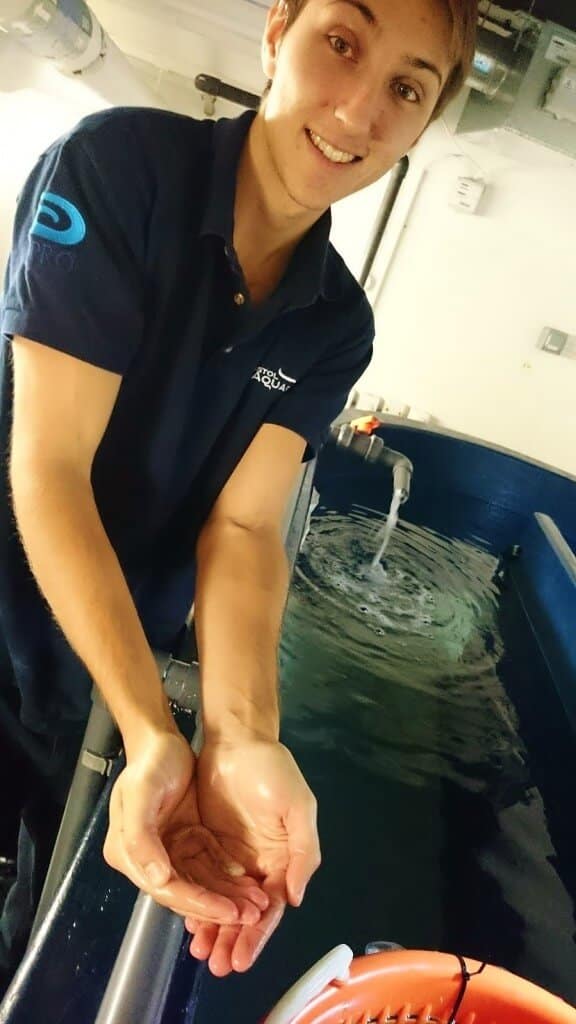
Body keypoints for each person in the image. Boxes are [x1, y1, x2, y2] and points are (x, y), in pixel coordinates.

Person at [0, 0, 477, 996]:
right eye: (341, 42)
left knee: (29, 902)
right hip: (19, 602)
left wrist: (243, 736)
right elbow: (49, 468)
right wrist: (149, 727)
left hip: (99, 661)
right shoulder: (117, 169)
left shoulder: (335, 323)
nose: (358, 111)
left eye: (407, 87)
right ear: (275, 33)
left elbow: (249, 524)